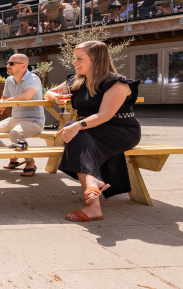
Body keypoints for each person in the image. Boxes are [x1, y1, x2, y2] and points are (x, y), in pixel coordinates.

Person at [45, 41, 140, 222]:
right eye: (75, 58)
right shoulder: (77, 80)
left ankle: (93, 201)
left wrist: (77, 126)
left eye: (79, 58)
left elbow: (104, 115)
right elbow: (48, 92)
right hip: (89, 130)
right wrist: (56, 97)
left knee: (76, 132)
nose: (74, 62)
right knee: (78, 135)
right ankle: (93, 185)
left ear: (96, 60)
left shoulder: (117, 83)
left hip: (120, 130)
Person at [0, 54, 45, 177]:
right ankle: (15, 154)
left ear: (23, 66)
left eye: (11, 63)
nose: (7, 65)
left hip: (33, 121)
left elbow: (27, 95)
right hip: (14, 119)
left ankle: (29, 161)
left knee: (15, 134)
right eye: (8, 63)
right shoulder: (9, 80)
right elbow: (4, 98)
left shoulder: (32, 78)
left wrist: (6, 102)